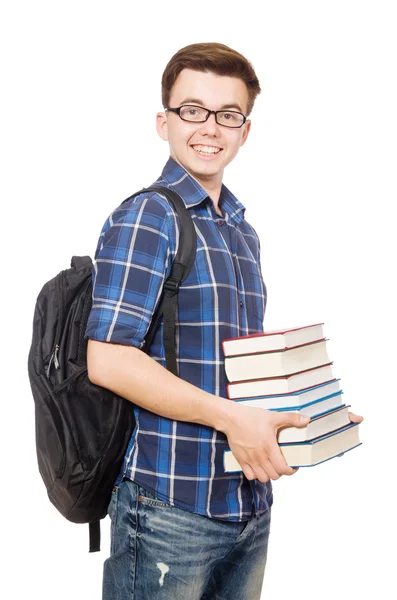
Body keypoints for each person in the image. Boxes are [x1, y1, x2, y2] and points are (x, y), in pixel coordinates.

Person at [85, 42, 363, 600]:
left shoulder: (240, 230)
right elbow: (108, 360)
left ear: (245, 130)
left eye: (227, 114)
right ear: (163, 122)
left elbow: (233, 367)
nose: (209, 128)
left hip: (247, 502)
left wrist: (306, 415)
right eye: (192, 110)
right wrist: (233, 420)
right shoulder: (148, 216)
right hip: (169, 505)